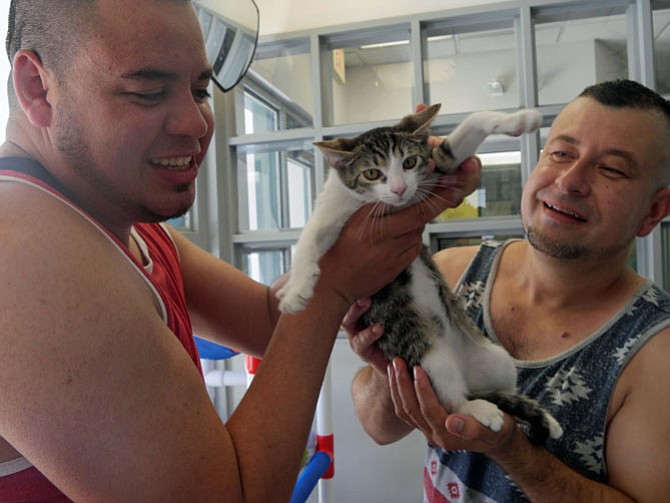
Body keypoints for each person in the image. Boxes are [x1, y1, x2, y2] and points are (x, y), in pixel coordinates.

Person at [0, 1, 481, 501]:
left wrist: (374, 213)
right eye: (147, 92)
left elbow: (270, 323)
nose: (195, 122)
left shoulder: (124, 225)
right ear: (38, 87)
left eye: (200, 89)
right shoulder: (17, 246)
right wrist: (333, 283)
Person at [347, 79, 670, 503]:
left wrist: (509, 448)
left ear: (653, 212)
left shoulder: (656, 352)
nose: (570, 181)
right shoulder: (450, 272)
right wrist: (386, 370)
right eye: (561, 153)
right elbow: (378, 428)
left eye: (611, 168)